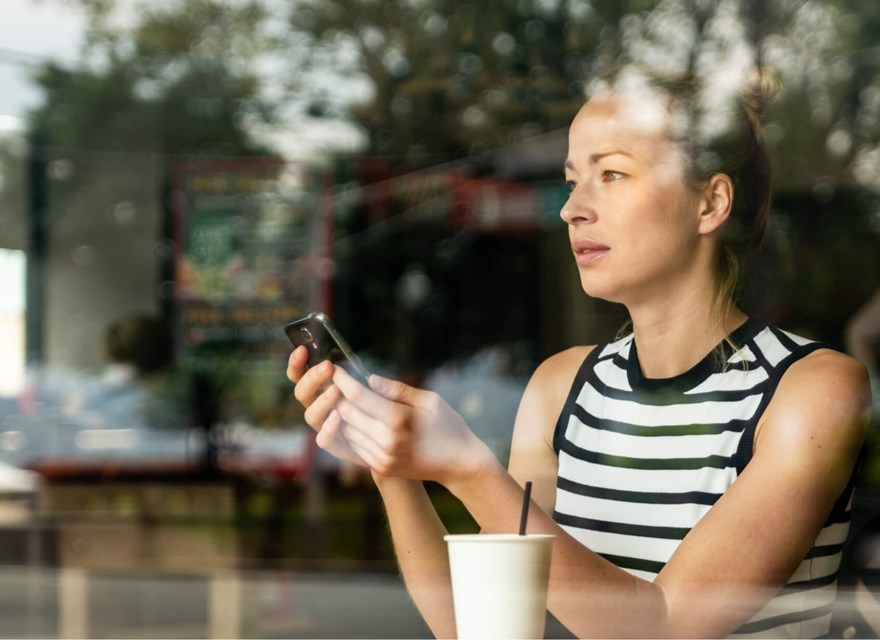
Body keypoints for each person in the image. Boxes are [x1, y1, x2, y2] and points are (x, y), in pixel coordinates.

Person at [287, 65, 871, 638]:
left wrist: (469, 469)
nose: (572, 209)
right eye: (572, 182)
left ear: (711, 203)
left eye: (611, 175)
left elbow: (664, 626)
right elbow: (482, 628)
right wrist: (394, 469)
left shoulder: (811, 390)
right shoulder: (560, 387)